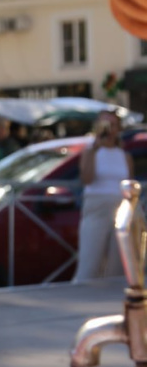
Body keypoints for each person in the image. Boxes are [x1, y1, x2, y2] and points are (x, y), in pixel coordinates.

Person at [73, 110, 133, 283]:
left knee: (117, 263)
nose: (109, 129)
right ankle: (81, 298)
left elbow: (129, 184)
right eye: (104, 124)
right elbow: (87, 179)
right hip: (97, 206)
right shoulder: (90, 152)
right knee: (90, 262)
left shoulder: (125, 155)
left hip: (120, 207)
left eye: (112, 125)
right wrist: (95, 146)